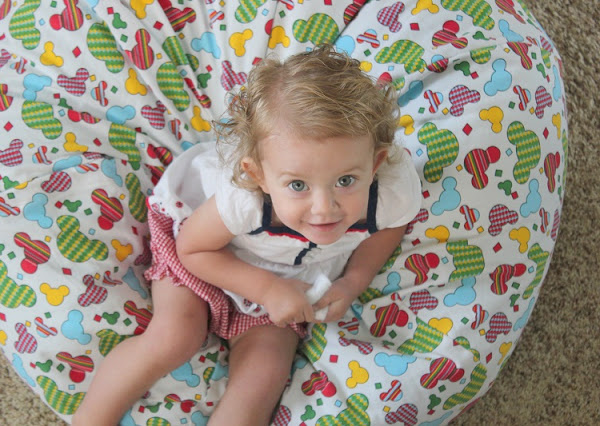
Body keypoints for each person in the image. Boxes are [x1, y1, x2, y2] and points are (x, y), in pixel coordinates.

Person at [72, 44, 421, 425]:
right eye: (298, 185)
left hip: (289, 283)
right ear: (258, 175)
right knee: (175, 336)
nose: (324, 208)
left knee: (264, 373)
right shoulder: (244, 199)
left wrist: (354, 281)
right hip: (207, 250)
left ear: (375, 164)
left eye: (345, 181)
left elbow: (388, 227)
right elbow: (193, 250)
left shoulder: (390, 190)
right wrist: (267, 290)